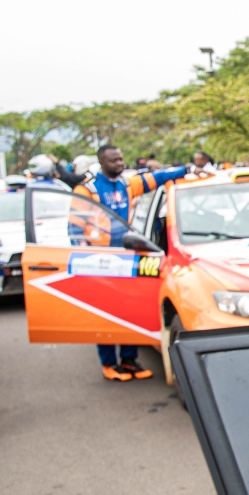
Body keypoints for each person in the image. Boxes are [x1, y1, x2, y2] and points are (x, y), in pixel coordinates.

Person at [73, 145, 186, 382]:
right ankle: (109, 364)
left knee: (128, 310)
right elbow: (74, 229)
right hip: (99, 261)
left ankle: (129, 360)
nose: (120, 163)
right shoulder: (87, 190)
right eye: (114, 160)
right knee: (105, 314)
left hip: (127, 259)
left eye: (121, 159)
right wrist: (83, 261)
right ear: (102, 163)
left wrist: (183, 170)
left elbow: (156, 178)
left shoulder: (127, 185)